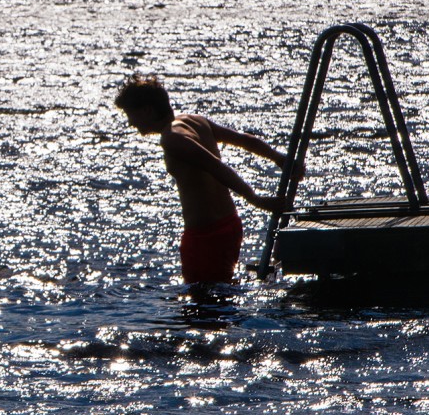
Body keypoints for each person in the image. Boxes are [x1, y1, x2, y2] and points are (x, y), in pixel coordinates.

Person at [114, 74, 299, 285]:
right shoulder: (193, 120)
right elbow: (242, 139)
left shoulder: (172, 139)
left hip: (206, 236)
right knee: (218, 295)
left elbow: (215, 166)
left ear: (147, 110)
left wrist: (255, 200)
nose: (130, 123)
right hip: (229, 225)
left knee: (203, 306)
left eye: (130, 115)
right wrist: (279, 158)